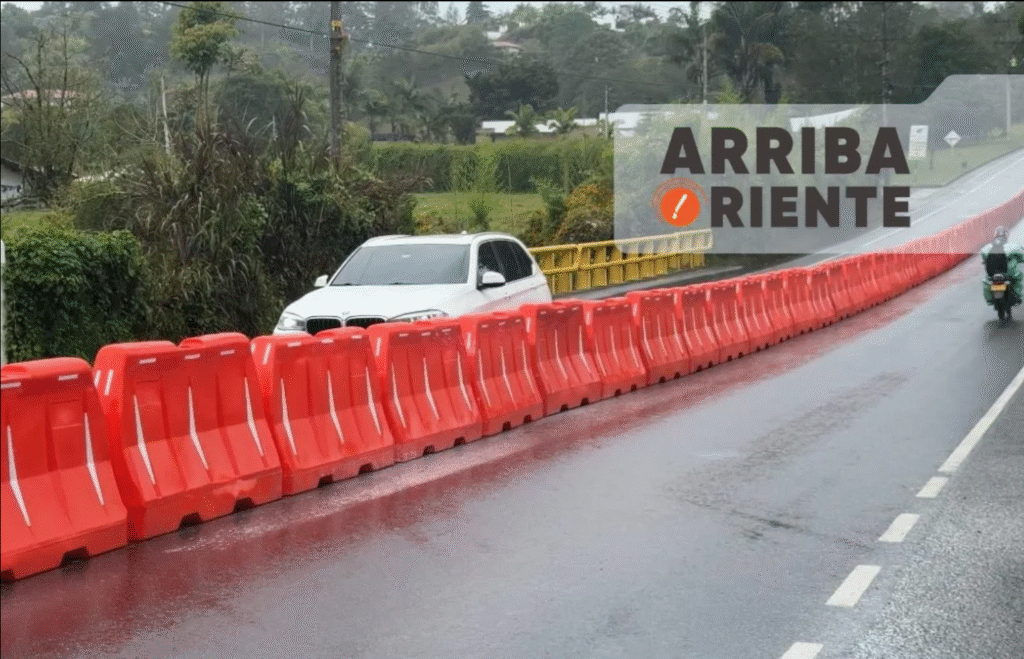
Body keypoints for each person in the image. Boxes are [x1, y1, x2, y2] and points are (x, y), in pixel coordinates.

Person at [981, 225, 1024, 308]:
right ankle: (1018, 296)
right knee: (1018, 277)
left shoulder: (987, 248)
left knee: (986, 282)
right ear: (1006, 236)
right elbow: (1021, 254)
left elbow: (984, 257)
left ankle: (989, 299)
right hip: (1008, 272)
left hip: (991, 273)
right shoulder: (1012, 246)